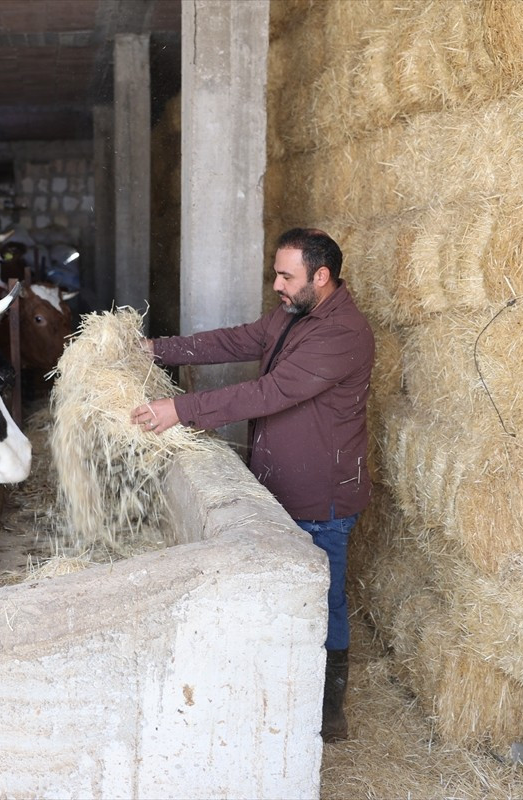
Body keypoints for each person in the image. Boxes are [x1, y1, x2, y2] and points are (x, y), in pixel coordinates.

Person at [130, 227, 374, 742]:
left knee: (322, 597)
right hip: (277, 484)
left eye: (287, 275)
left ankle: (329, 710)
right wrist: (155, 349)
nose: (277, 285)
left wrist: (181, 409)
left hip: (319, 495)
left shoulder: (343, 334)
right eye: (276, 273)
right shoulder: (293, 316)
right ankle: (277, 688)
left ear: (321, 277)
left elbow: (272, 392)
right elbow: (235, 340)